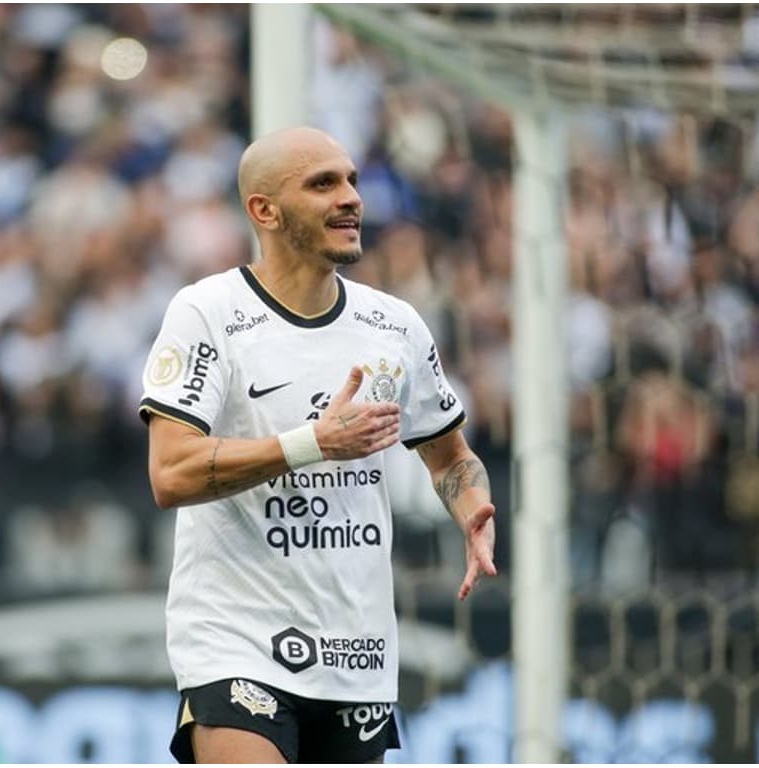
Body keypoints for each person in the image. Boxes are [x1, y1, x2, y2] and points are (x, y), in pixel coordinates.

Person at [139, 125, 497, 764]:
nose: (351, 197)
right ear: (264, 210)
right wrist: (311, 444)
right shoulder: (209, 314)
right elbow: (170, 472)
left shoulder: (394, 326)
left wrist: (471, 508)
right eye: (323, 183)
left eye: (353, 180)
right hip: (236, 642)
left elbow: (453, 457)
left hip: (354, 652)